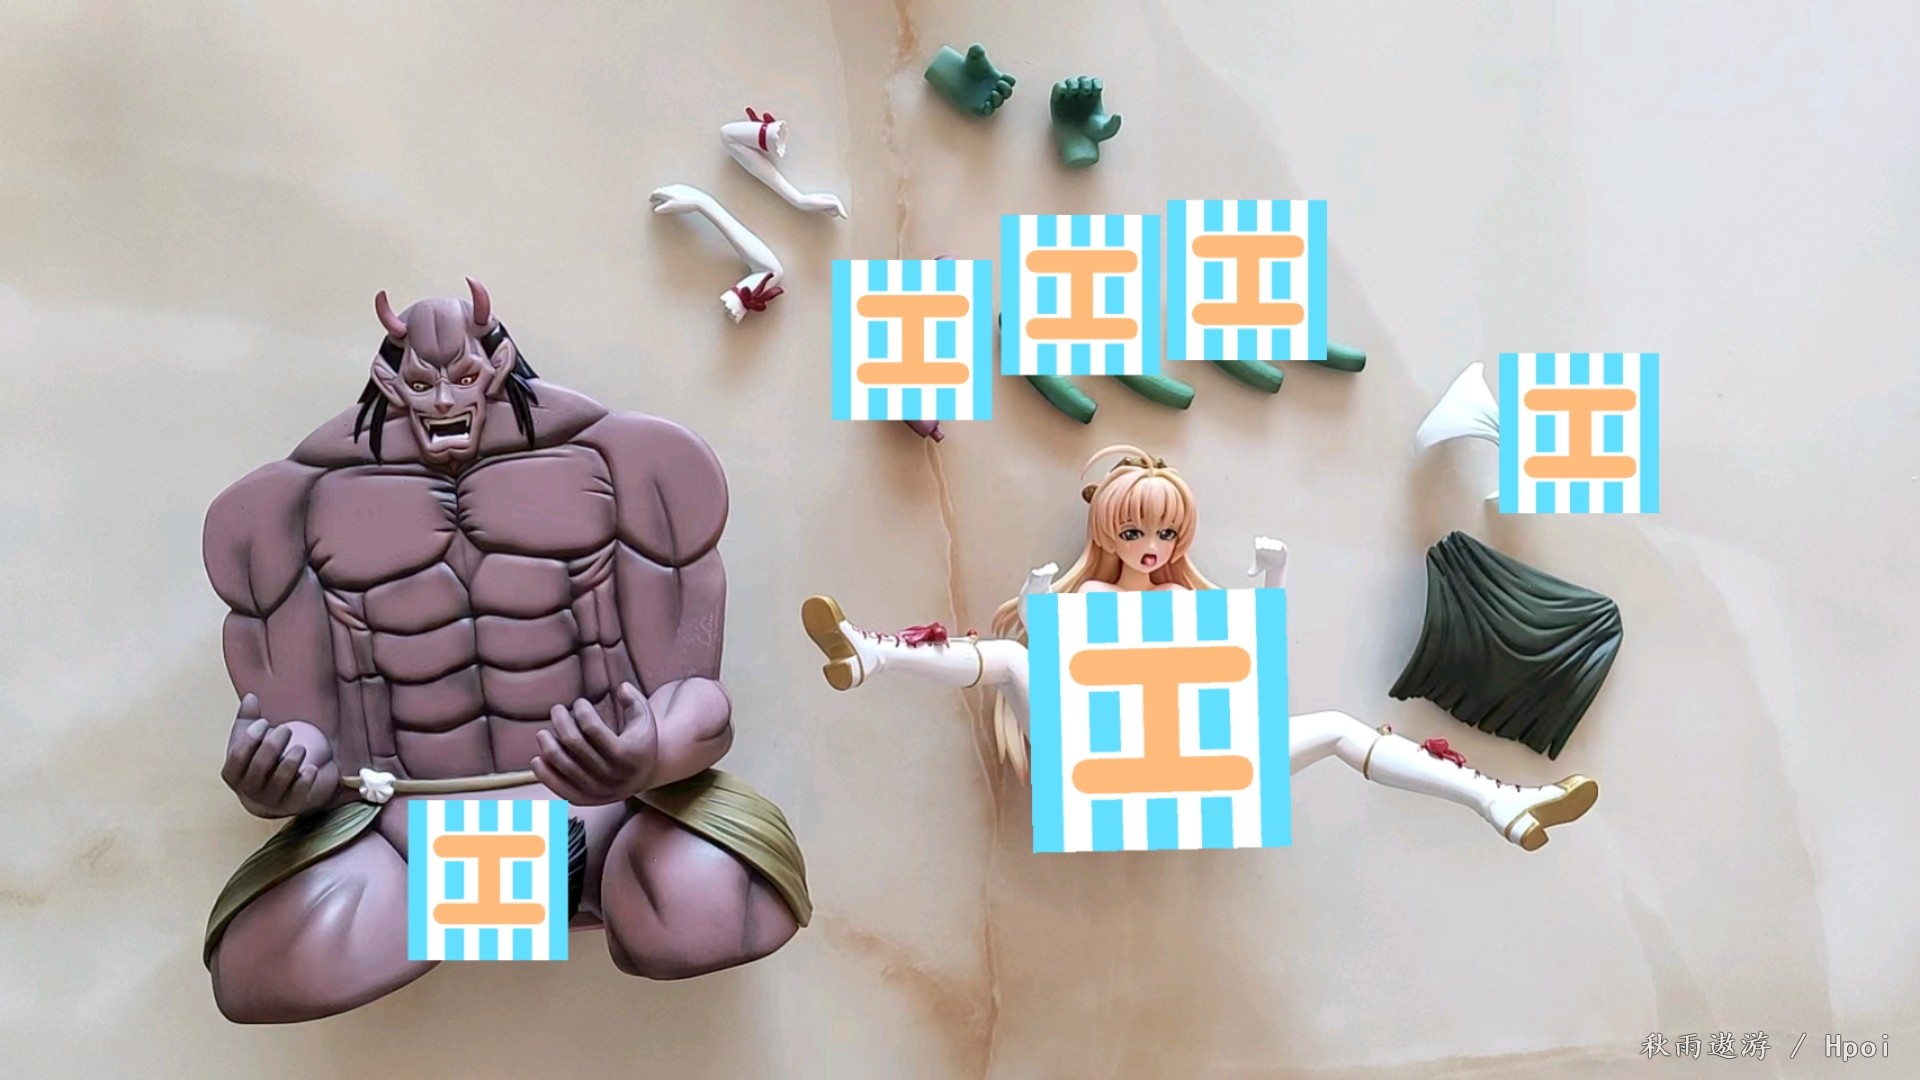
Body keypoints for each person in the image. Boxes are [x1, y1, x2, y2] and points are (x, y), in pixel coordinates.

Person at [802, 445, 1597, 851]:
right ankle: (873, 653)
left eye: (1165, 532)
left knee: (1337, 729)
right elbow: (1070, 675)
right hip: (1092, 771)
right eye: (1134, 531)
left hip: (1195, 771)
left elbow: (1245, 667)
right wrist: (1041, 608)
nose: (1150, 545)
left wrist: (1271, 581)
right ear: (1107, 533)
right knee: (1011, 659)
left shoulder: (1189, 604)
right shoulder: (1092, 602)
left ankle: (1498, 800)